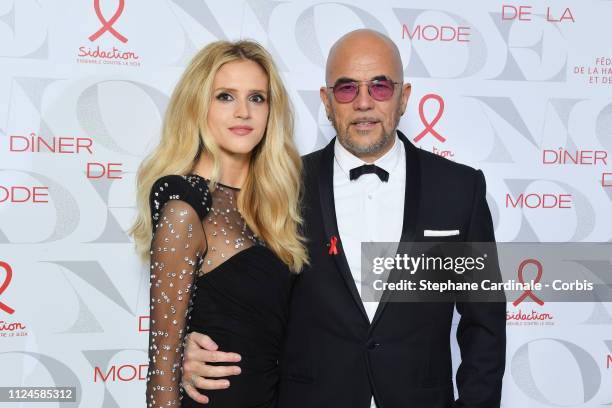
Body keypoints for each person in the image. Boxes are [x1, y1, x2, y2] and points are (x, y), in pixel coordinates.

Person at [182, 29, 506, 408]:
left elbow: (485, 322)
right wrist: (187, 348)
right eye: (347, 88)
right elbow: (246, 300)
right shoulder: (278, 187)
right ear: (326, 100)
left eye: (381, 87)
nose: (364, 103)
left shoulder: (459, 189)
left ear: (404, 98)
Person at [130, 39, 308, 408]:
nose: (243, 111)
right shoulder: (184, 204)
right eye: (225, 96)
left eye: (257, 98)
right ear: (198, 106)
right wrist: (180, 354)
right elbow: (162, 371)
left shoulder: (278, 205)